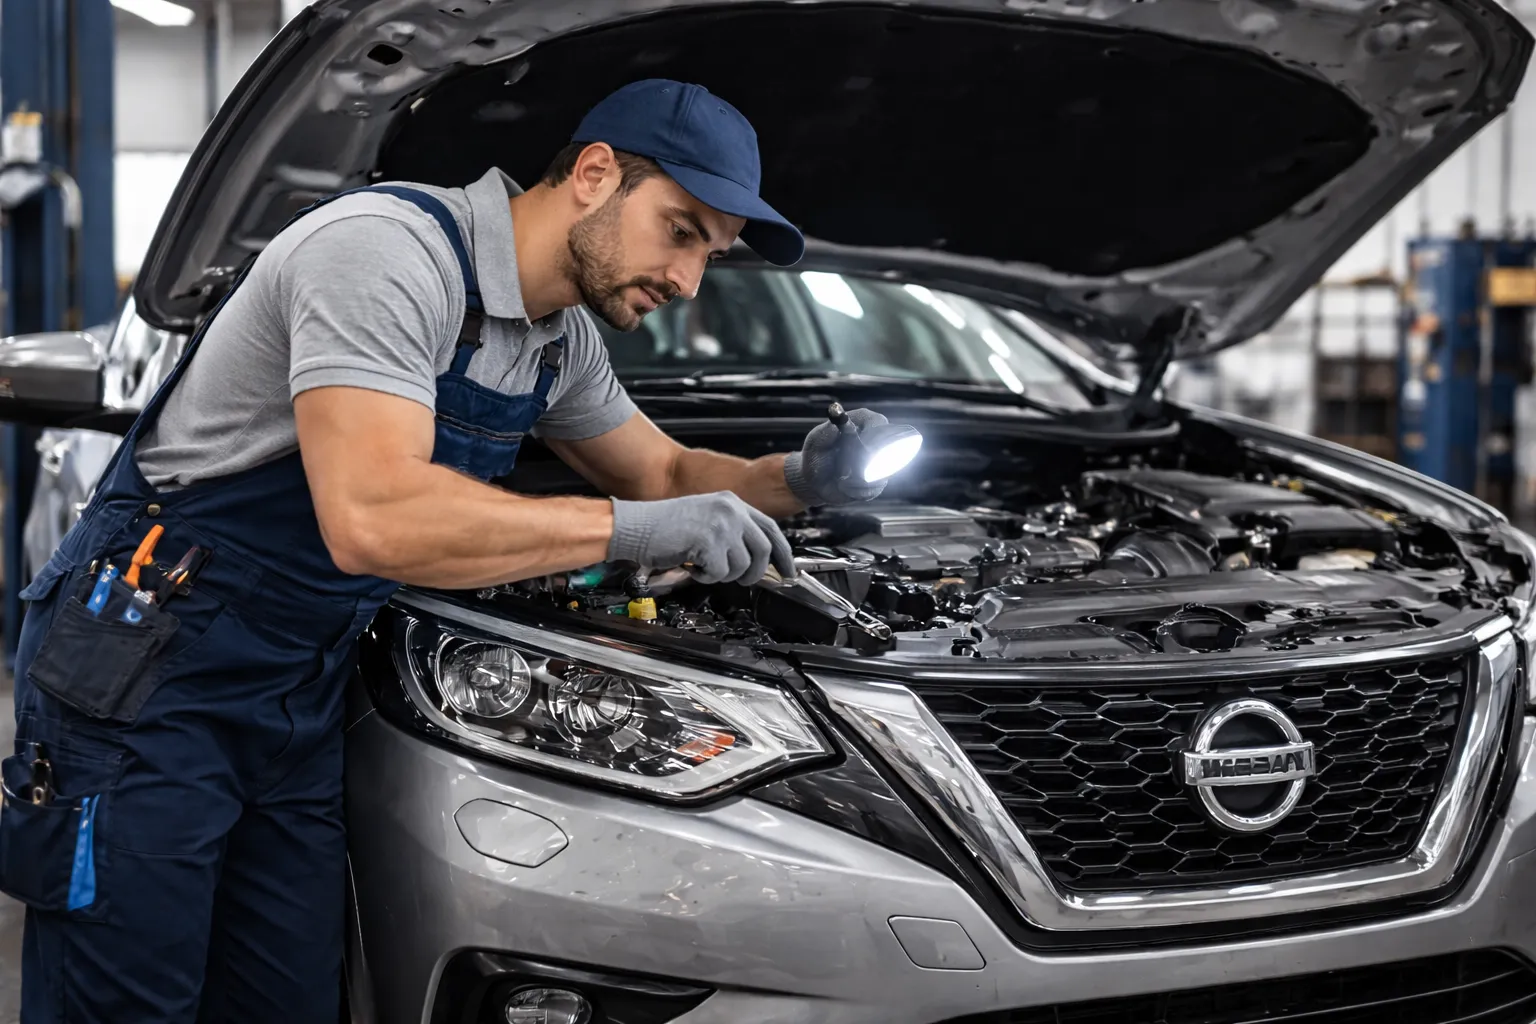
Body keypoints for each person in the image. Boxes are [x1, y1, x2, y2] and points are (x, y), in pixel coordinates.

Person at [0, 78, 893, 1023]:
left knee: (284, 1001)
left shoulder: (556, 340)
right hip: (153, 676)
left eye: (709, 255)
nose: (687, 281)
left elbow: (665, 476)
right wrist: (628, 533)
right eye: (681, 231)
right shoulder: (384, 254)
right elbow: (374, 516)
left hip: (299, 694)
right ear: (594, 174)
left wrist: (799, 479)